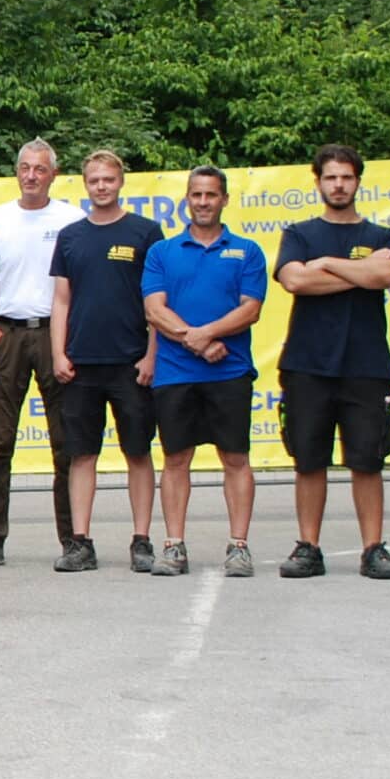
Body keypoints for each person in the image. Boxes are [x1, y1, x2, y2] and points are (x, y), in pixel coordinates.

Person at [273, 144, 390, 581]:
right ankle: (308, 547)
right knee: (309, 460)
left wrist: (328, 265)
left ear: (358, 182)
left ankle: (374, 548)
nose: (339, 184)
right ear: (317, 182)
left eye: (346, 177)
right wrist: (359, 274)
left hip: (366, 364)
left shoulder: (383, 238)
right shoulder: (299, 234)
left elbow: (387, 275)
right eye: (331, 177)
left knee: (367, 460)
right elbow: (294, 279)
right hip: (308, 364)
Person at [141, 166, 267, 578]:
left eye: (211, 195)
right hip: (175, 374)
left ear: (224, 199)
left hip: (228, 371)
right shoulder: (163, 251)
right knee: (176, 459)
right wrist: (194, 341)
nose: (203, 201)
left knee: (235, 458)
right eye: (196, 194)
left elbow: (251, 308)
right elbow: (154, 308)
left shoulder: (247, 251)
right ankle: (174, 545)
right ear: (187, 199)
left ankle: (239, 546)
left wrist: (205, 335)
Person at [48, 149, 163, 573]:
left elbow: (157, 302)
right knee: (81, 455)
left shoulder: (145, 232)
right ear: (84, 183)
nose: (101, 186)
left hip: (131, 362)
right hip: (80, 365)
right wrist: (58, 352)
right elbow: (61, 300)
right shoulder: (71, 236)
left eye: (108, 179)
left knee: (138, 452)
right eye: (94, 180)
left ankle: (142, 539)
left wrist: (152, 355)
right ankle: (80, 542)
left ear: (121, 182)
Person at [0, 140, 84, 566]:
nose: (31, 176)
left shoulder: (73, 219)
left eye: (40, 169)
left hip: (55, 335)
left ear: (53, 174)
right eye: (25, 168)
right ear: (16, 172)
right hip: (7, 332)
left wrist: (68, 339)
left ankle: (73, 537)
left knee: (66, 442)